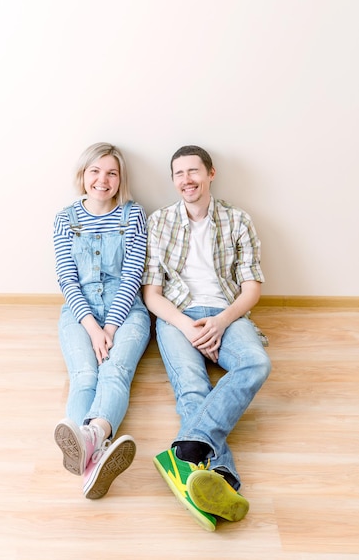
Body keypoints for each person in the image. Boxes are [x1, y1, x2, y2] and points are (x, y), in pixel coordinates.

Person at [142, 145, 271, 531]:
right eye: (179, 174)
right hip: (177, 317)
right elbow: (152, 295)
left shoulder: (237, 220)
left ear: (210, 174)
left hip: (226, 313)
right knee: (193, 389)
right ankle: (224, 478)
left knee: (256, 362)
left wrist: (219, 323)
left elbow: (251, 290)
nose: (187, 180)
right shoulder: (159, 221)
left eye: (194, 171)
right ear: (173, 180)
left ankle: (188, 447)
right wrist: (187, 327)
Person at [53, 142, 150, 500]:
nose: (102, 179)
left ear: (120, 179)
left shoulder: (132, 214)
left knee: (115, 371)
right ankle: (95, 455)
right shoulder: (66, 218)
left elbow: (132, 276)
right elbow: (67, 279)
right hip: (80, 313)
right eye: (95, 171)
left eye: (111, 172)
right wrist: (92, 327)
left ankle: (89, 440)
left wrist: (110, 326)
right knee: (84, 376)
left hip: (126, 312)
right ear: (83, 175)